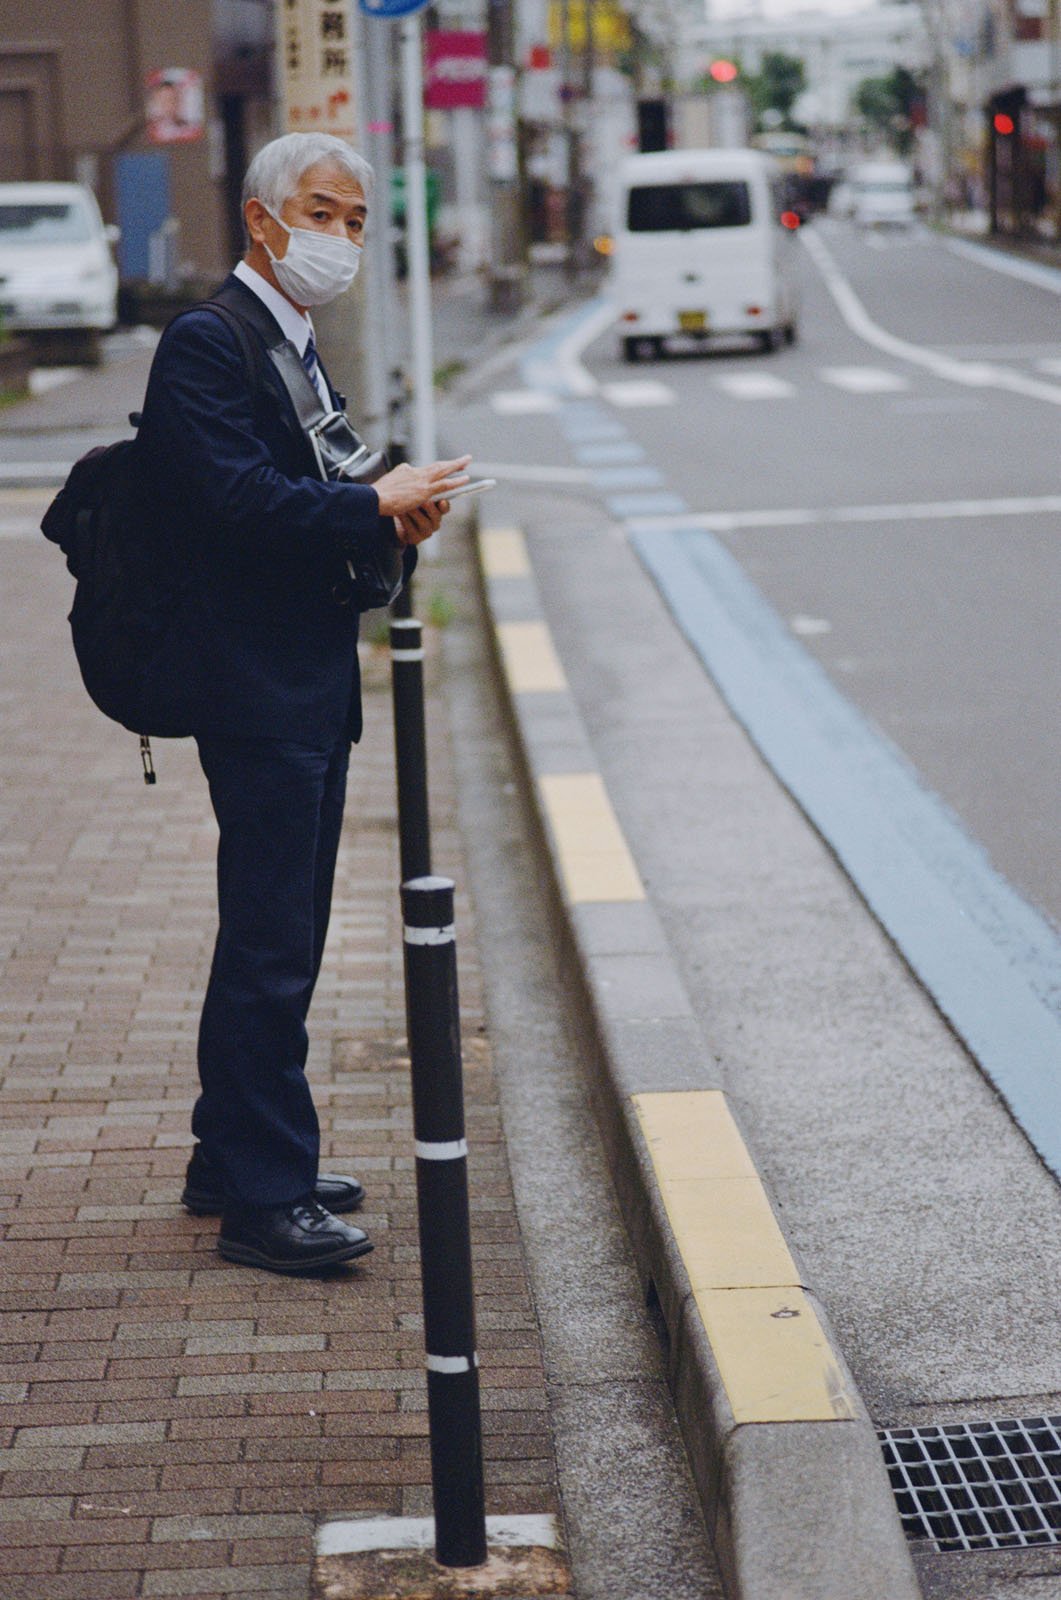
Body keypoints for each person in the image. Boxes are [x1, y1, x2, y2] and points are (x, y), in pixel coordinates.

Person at [134, 131, 470, 1274]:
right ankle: (265, 1198)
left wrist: (393, 514)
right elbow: (235, 502)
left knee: (277, 928)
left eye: (355, 220)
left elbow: (313, 488)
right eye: (321, 213)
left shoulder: (291, 339)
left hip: (301, 672)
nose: (340, 237)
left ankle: (228, 1155)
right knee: (273, 941)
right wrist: (367, 504)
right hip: (254, 681)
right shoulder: (208, 339)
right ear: (261, 219)